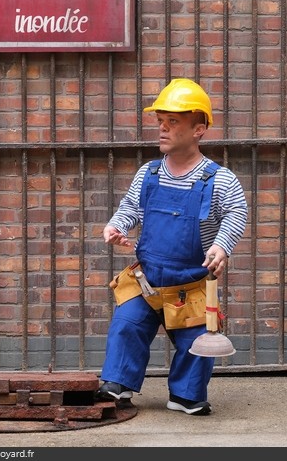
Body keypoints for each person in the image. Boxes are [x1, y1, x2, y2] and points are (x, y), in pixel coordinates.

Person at [97, 78, 248, 416]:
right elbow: (130, 208)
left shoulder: (219, 179)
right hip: (146, 281)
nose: (162, 130)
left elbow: (238, 211)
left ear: (199, 129)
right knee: (127, 325)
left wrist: (222, 246)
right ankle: (117, 384)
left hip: (190, 285)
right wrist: (116, 226)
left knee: (197, 341)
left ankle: (186, 395)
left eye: (173, 123)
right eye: (160, 122)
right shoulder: (148, 173)